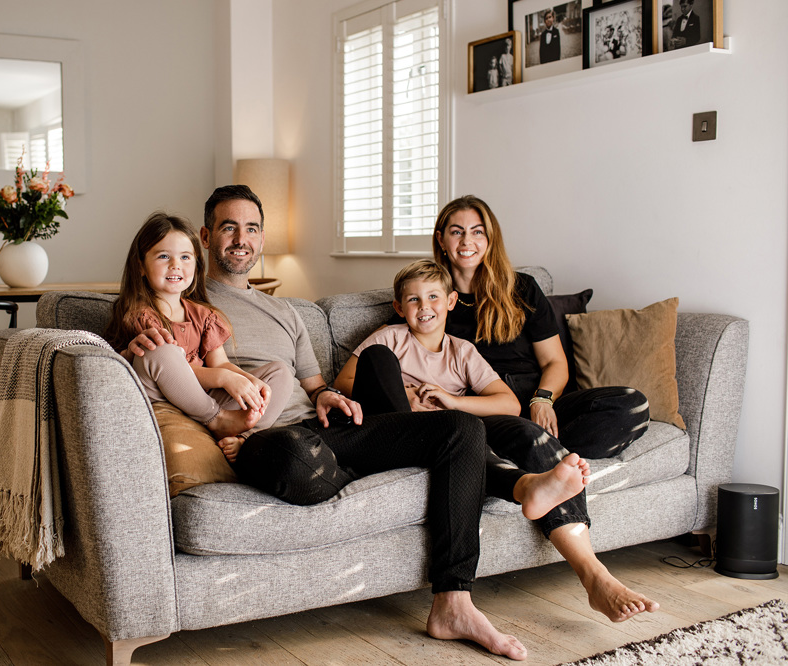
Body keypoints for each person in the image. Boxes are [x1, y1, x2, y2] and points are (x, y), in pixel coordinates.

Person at [129, 185, 529, 660]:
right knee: (297, 456)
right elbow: (164, 359)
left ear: (261, 238)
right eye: (229, 227)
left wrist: (328, 396)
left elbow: (315, 382)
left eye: (252, 228)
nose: (242, 239)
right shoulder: (183, 301)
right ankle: (355, 470)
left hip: (325, 430)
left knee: (461, 428)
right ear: (206, 236)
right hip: (265, 436)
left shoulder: (287, 310)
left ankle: (453, 601)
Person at [427, 194, 659, 622]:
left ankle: (543, 459)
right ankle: (594, 576)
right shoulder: (435, 301)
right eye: (457, 231)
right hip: (488, 411)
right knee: (529, 437)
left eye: (478, 231)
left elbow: (555, 363)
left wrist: (544, 399)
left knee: (632, 406)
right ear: (441, 239)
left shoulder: (522, 289)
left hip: (540, 402)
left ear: (490, 238)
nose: (467, 241)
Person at [334, 259, 591, 526]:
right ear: (399, 307)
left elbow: (510, 405)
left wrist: (453, 401)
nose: (424, 307)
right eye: (414, 300)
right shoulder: (389, 338)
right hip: (396, 430)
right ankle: (526, 486)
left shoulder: (463, 352)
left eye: (433, 297)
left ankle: (532, 487)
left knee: (471, 438)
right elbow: (344, 381)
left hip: (445, 434)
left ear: (451, 301)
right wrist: (403, 395)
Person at [104, 211, 292, 444]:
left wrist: (246, 381)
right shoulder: (140, 314)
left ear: (196, 264)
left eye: (185, 257)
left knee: (280, 373)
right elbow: (179, 369)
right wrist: (223, 378)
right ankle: (217, 418)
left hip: (205, 396)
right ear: (141, 266)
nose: (175, 265)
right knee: (159, 349)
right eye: (163, 256)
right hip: (166, 398)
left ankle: (245, 437)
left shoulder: (204, 315)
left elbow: (220, 363)